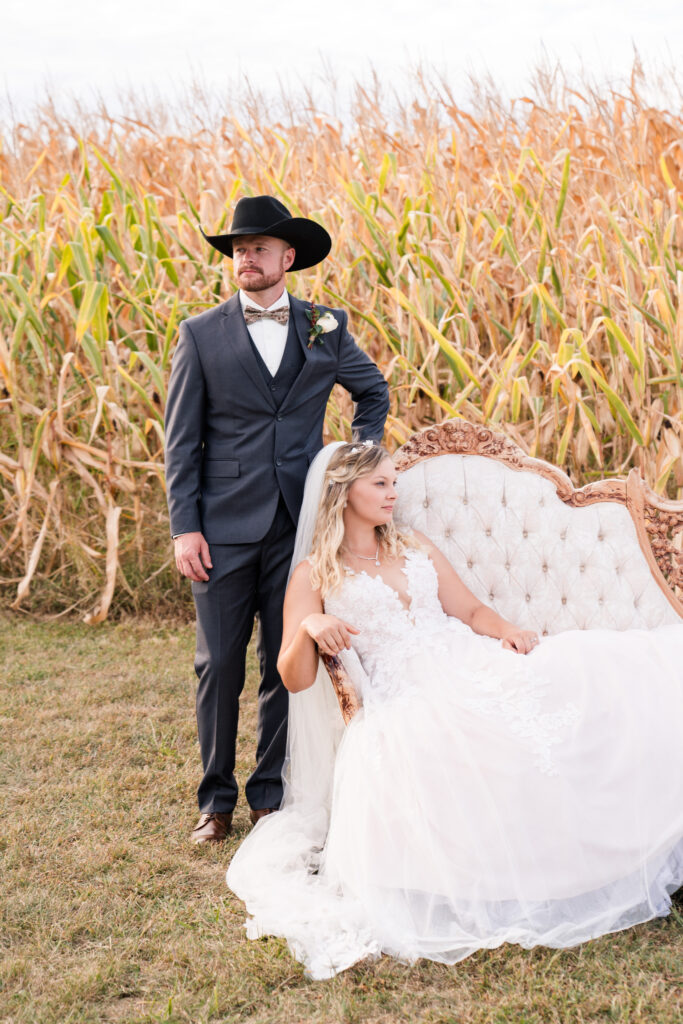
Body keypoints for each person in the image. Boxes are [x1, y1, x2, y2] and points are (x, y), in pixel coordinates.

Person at [226, 442, 683, 979]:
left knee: (597, 679)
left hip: (471, 659)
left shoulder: (413, 544)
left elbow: (467, 608)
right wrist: (307, 627)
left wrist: (508, 631)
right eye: (380, 484)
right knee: (482, 745)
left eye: (395, 481)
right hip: (408, 695)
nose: (393, 492)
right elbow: (294, 677)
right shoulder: (314, 575)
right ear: (342, 491)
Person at [164, 197, 389, 844]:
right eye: (238, 250)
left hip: (299, 525)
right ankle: (215, 802)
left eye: (258, 248)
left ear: (287, 258)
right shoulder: (200, 334)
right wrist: (187, 527)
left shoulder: (325, 326)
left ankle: (268, 798)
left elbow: (371, 391)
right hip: (222, 525)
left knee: (282, 662)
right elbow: (181, 443)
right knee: (218, 665)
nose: (246, 258)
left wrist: (350, 458)